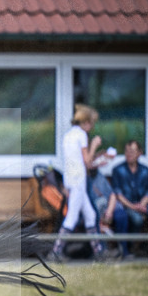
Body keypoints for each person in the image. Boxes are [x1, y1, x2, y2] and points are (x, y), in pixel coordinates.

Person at [50, 105, 115, 261]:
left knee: (90, 215)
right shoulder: (82, 136)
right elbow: (86, 161)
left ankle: (99, 251)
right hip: (79, 180)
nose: (92, 126)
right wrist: (94, 146)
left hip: (70, 179)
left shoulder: (68, 135)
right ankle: (55, 252)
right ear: (85, 122)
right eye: (91, 123)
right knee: (71, 217)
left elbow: (75, 160)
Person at [111, 139, 148, 256]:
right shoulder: (117, 170)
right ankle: (131, 247)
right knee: (137, 220)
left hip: (143, 205)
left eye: (132, 151)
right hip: (126, 205)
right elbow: (118, 194)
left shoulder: (146, 171)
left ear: (140, 153)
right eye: (127, 151)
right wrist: (133, 206)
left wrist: (142, 204)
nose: (129, 154)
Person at [88, 167, 130, 258]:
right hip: (94, 211)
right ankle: (103, 251)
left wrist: (109, 212)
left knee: (121, 216)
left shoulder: (100, 177)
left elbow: (112, 195)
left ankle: (124, 250)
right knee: (95, 221)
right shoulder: (82, 178)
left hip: (108, 207)